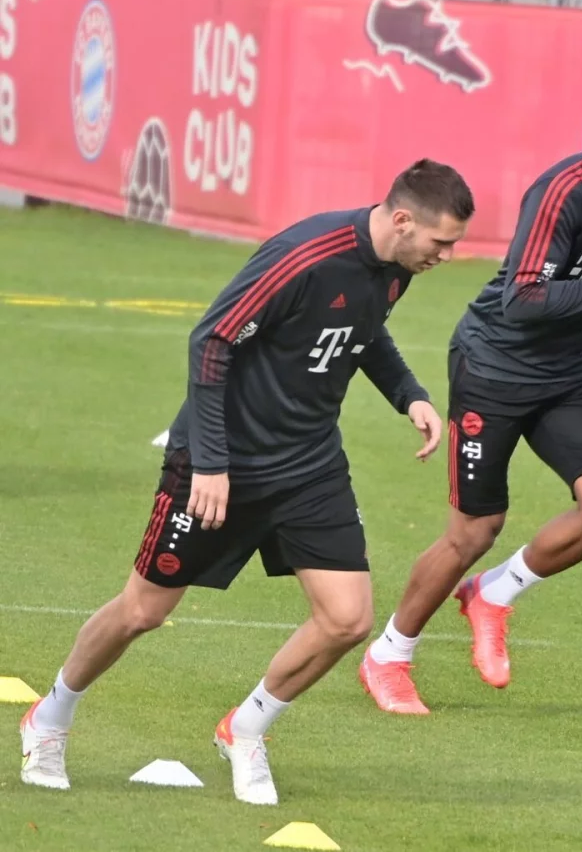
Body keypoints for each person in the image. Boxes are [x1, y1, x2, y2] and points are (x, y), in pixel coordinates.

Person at [18, 159, 473, 803]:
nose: (447, 256)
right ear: (403, 220)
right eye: (441, 241)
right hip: (221, 462)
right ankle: (50, 716)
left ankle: (247, 728)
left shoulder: (397, 267)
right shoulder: (304, 256)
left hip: (309, 465)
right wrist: (211, 463)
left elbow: (364, 333)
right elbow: (211, 341)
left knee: (348, 619)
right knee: (143, 610)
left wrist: (410, 395)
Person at [359, 65, 582, 713]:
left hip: (569, 373)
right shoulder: (564, 191)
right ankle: (388, 655)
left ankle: (493, 594)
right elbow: (522, 298)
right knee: (474, 530)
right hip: (494, 368)